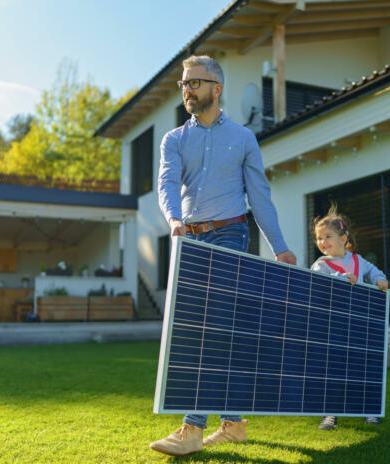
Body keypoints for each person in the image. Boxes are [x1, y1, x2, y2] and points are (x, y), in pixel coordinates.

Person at [150, 55, 297, 457]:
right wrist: (174, 219)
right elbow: (166, 183)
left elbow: (259, 196)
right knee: (216, 329)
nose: (186, 90)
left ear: (217, 88)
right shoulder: (174, 139)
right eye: (183, 84)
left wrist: (279, 246)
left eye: (194, 82)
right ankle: (232, 424)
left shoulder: (244, 139)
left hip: (232, 234)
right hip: (192, 238)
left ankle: (192, 428)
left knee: (213, 327)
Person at [310, 206, 388, 430]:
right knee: (332, 368)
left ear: (343, 238)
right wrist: (340, 277)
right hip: (332, 326)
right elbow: (317, 283)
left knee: (363, 366)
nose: (322, 242)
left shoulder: (358, 260)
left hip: (358, 325)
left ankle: (370, 410)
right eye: (319, 238)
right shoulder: (321, 265)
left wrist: (380, 280)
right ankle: (330, 414)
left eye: (328, 237)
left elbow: (374, 272)